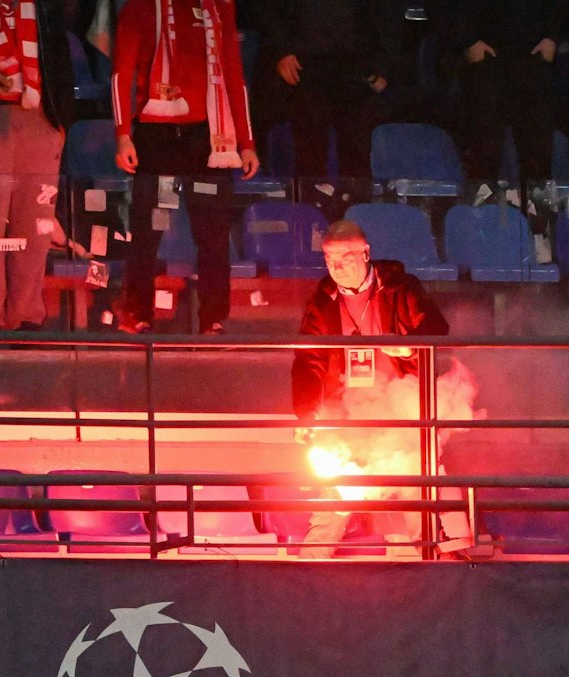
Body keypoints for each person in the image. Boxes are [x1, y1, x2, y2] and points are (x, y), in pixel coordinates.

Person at [289, 219, 449, 556]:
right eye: (329, 259)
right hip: (348, 411)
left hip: (402, 405)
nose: (337, 268)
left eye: (345, 258)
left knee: (420, 487)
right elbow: (308, 361)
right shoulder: (322, 300)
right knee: (335, 493)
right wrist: (307, 414)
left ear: (366, 253)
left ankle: (436, 559)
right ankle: (309, 565)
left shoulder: (402, 287)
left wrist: (408, 347)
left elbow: (437, 327)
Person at [112, 0, 259, 334]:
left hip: (207, 136)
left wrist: (247, 142)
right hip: (155, 134)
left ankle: (213, 319)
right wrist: (122, 135)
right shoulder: (141, 6)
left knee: (213, 234)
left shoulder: (219, 7)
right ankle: (137, 313)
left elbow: (233, 74)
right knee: (147, 230)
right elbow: (122, 72)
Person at [0, 0, 76, 331]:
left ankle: (27, 314)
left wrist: (60, 122)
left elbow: (59, 53)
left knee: (35, 226)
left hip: (39, 116)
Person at [253, 0, 401, 181]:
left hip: (356, 63)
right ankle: (311, 197)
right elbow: (268, 8)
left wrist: (381, 65)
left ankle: (353, 197)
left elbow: (386, 13)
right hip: (304, 61)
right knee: (309, 152)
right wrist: (281, 50)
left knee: (356, 151)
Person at [446, 0, 561, 183]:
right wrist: (467, 40)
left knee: (536, 142)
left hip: (533, 52)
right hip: (484, 51)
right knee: (484, 140)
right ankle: (482, 195)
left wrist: (552, 37)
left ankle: (536, 196)